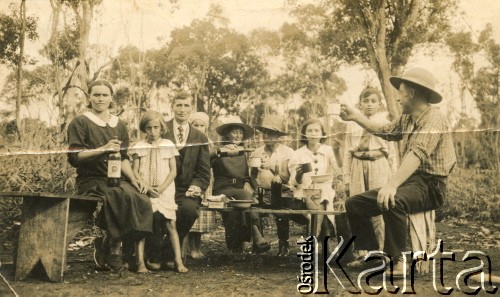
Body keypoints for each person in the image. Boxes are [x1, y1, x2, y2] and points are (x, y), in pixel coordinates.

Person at [340, 67, 456, 276]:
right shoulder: (407, 118)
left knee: (393, 200)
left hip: (431, 185)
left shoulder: (434, 119)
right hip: (411, 182)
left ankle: (398, 261)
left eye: (399, 92)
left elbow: (416, 153)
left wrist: (392, 184)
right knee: (354, 204)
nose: (398, 98)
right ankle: (374, 256)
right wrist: (356, 117)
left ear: (411, 93)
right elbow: (385, 131)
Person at [67, 80, 153, 272]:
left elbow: (122, 158)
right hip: (91, 178)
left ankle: (112, 242)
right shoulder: (80, 122)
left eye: (104, 95)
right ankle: (113, 247)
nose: (100, 99)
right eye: (96, 95)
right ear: (89, 97)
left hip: (117, 178)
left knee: (140, 198)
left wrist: (134, 179)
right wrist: (102, 149)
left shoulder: (119, 124)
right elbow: (75, 157)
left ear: (111, 98)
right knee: (117, 196)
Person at [148, 92, 211, 269]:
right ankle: (154, 254)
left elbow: (204, 172)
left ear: (192, 108)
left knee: (189, 211)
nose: (182, 109)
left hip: (185, 190)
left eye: (186, 106)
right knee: (156, 212)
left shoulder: (200, 137)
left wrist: (196, 186)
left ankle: (167, 254)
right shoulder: (160, 129)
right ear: (172, 107)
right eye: (179, 105)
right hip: (162, 187)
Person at [343, 87, 398, 261]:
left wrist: (394, 180)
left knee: (380, 206)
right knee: (357, 206)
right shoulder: (352, 124)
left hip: (379, 165)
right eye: (365, 101)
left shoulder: (384, 123)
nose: (369, 105)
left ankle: (381, 250)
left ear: (380, 104)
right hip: (358, 166)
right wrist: (346, 178)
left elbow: (392, 153)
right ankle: (362, 252)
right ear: (359, 104)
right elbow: (347, 152)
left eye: (373, 101)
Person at [130, 111, 187, 273]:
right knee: (143, 225)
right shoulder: (139, 146)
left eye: (156, 127)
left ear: (162, 128)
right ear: (144, 129)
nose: (152, 131)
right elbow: (134, 172)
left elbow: (173, 171)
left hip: (165, 190)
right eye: (148, 128)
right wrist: (146, 187)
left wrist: (161, 188)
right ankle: (140, 262)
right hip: (145, 190)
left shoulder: (168, 144)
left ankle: (178, 261)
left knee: (171, 224)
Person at [289, 119, 353, 256]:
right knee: (319, 202)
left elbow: (339, 170)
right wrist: (300, 174)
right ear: (304, 134)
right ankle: (319, 244)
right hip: (304, 192)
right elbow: (294, 182)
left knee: (322, 199)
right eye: (309, 130)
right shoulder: (298, 153)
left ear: (322, 134)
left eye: (316, 130)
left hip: (326, 190)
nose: (313, 134)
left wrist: (337, 151)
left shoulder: (329, 150)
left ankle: (314, 243)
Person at [212, 117, 270, 259]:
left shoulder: (243, 152)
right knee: (243, 199)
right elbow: (206, 159)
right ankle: (255, 235)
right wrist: (221, 151)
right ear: (227, 135)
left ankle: (238, 247)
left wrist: (247, 182)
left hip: (239, 187)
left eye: (240, 133)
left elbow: (245, 175)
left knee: (244, 201)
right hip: (223, 187)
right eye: (234, 132)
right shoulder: (218, 150)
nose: (238, 136)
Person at [251, 116, 308, 257]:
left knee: (282, 212)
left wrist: (270, 166)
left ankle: (284, 245)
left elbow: (285, 178)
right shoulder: (256, 152)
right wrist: (253, 188)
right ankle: (259, 243)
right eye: (264, 132)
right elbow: (252, 175)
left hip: (282, 191)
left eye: (271, 133)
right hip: (261, 192)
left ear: (278, 136)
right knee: (252, 210)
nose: (266, 136)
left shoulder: (287, 152)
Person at [187, 112, 217, 259]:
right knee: (192, 212)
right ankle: (191, 247)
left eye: (202, 125)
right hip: (192, 180)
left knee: (202, 215)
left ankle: (198, 247)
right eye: (195, 125)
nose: (199, 128)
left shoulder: (209, 142)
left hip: (206, 180)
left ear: (206, 127)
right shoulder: (189, 139)